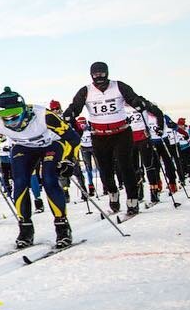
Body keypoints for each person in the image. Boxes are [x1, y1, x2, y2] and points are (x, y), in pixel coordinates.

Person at [0, 88, 80, 249]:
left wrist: (69, 160)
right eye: (6, 118)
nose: (11, 122)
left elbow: (73, 138)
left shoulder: (44, 116)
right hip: (24, 147)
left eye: (15, 116)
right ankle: (25, 228)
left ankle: (62, 227)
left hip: (51, 144)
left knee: (49, 178)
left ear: (24, 110)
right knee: (19, 182)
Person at [63, 61, 158, 218]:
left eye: (101, 74)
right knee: (105, 170)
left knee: (125, 166)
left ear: (107, 73)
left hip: (121, 132)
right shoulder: (85, 91)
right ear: (91, 75)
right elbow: (76, 106)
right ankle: (113, 197)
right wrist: (69, 113)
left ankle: (132, 200)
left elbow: (132, 98)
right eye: (95, 75)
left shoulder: (119, 86)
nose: (99, 77)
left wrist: (138, 103)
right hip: (99, 135)